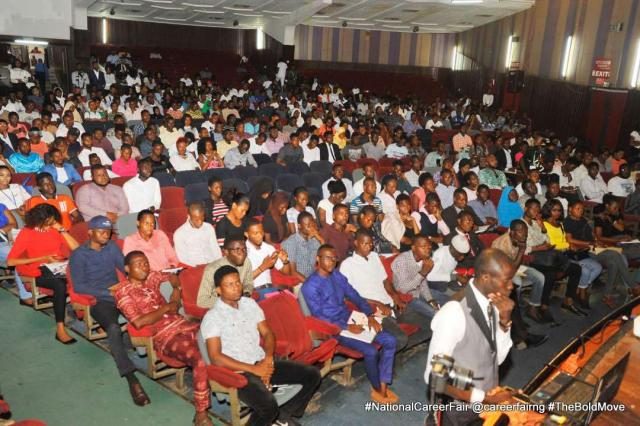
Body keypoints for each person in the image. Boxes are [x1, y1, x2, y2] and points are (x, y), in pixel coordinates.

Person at [202, 265, 321, 426]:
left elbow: (268, 333)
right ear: (218, 290)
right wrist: (255, 370)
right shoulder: (212, 317)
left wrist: (268, 359)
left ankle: (282, 416)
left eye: (238, 282)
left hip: (261, 362)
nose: (236, 287)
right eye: (230, 285)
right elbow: (216, 358)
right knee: (268, 406)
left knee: (312, 375)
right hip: (239, 372)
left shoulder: (249, 304)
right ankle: (272, 416)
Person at [112, 251, 213, 426]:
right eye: (139, 264)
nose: (144, 267)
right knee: (201, 359)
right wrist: (167, 308)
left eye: (145, 263)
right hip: (166, 337)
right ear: (127, 269)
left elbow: (173, 277)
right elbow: (138, 322)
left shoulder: (151, 277)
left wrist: (176, 290)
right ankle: (201, 413)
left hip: (185, 325)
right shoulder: (123, 292)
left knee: (222, 344)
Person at [424, 249, 516, 425]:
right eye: (507, 280)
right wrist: (482, 398)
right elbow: (435, 377)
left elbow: (496, 359)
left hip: (481, 399)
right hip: (457, 408)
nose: (511, 285)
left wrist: (505, 322)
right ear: (485, 277)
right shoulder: (454, 312)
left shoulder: (495, 302)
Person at [69, 216, 150, 405]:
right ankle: (131, 378)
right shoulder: (79, 255)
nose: (107, 234)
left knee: (151, 311)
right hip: (101, 299)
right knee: (113, 329)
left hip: (120, 292)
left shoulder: (112, 247)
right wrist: (109, 293)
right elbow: (79, 286)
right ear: (90, 233)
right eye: (101, 231)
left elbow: (126, 268)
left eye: (108, 231)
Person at [302, 244, 399, 403]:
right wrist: (347, 328)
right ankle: (376, 388)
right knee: (371, 351)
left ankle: (383, 383)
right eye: (327, 258)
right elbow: (319, 317)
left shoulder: (336, 276)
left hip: (350, 317)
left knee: (390, 340)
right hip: (334, 327)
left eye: (334, 258)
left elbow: (353, 294)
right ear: (318, 259)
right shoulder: (310, 286)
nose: (332, 261)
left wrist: (369, 314)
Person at [341, 229, 431, 350]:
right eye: (364, 243)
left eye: (370, 244)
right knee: (400, 339)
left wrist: (395, 297)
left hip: (391, 303)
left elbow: (385, 281)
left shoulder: (374, 257)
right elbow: (349, 296)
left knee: (431, 325)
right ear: (356, 243)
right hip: (374, 309)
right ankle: (386, 358)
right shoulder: (347, 265)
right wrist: (377, 304)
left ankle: (402, 351)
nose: (368, 247)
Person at [7, 204, 80, 344]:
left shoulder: (54, 230)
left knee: (85, 273)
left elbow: (77, 249)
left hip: (58, 266)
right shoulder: (27, 232)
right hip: (37, 269)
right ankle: (60, 328)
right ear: (38, 220)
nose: (50, 225)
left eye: (52, 222)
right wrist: (43, 259)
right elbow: (11, 261)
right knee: (59, 284)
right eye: (47, 222)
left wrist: (62, 230)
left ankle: (95, 319)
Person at [491, 220, 551, 347]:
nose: (525, 235)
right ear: (512, 232)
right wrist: (522, 250)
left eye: (526, 232)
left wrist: (522, 249)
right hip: (500, 273)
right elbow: (509, 269)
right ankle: (518, 325)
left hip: (514, 267)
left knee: (539, 276)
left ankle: (532, 309)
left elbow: (515, 265)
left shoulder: (519, 239)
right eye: (521, 232)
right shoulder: (501, 244)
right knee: (515, 284)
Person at [522, 198, 584, 318]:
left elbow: (549, 241)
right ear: (525, 209)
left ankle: (568, 301)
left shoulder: (536, 224)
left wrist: (543, 228)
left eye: (537, 209)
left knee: (576, 269)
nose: (535, 211)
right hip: (530, 259)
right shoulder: (519, 224)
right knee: (550, 274)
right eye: (532, 208)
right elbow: (521, 248)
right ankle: (543, 306)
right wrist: (539, 248)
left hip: (545, 257)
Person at [542, 199, 601, 309]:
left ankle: (578, 291)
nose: (557, 213)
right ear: (548, 210)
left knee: (596, 267)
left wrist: (570, 246)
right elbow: (551, 244)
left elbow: (565, 240)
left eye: (559, 210)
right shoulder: (544, 225)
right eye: (554, 210)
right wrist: (568, 246)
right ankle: (578, 295)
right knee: (584, 270)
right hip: (555, 255)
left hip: (567, 253)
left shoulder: (560, 224)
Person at [392, 235, 458, 319]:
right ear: (413, 248)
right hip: (407, 297)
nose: (428, 250)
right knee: (437, 315)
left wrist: (430, 299)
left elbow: (423, 282)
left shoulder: (424, 258)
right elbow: (403, 289)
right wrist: (423, 272)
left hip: (419, 291)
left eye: (429, 247)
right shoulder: (402, 261)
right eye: (423, 247)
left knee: (450, 301)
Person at [245, 219, 297, 299]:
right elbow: (244, 279)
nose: (260, 236)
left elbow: (286, 272)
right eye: (255, 233)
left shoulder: (268, 248)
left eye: (261, 232)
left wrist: (285, 261)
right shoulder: (242, 251)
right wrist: (263, 267)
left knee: (291, 302)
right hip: (255, 292)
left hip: (271, 289)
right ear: (246, 234)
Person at [197, 237, 254, 309]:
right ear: (226, 252)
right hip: (220, 308)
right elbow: (202, 301)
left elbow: (248, 283)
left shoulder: (246, 262)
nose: (242, 254)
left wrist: (246, 293)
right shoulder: (212, 269)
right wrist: (228, 301)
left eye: (244, 249)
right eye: (237, 250)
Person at [173, 202, 222, 267]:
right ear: (188, 216)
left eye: (202, 218)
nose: (200, 222)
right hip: (194, 268)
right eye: (196, 220)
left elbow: (216, 250)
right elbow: (182, 259)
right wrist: (197, 266)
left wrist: (219, 264)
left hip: (212, 265)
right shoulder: (180, 234)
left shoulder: (209, 227)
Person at [281, 212, 324, 279]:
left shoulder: (314, 239)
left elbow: (325, 257)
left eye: (313, 224)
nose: (311, 228)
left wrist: (320, 239)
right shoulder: (291, 242)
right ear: (299, 226)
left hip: (313, 277)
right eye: (308, 225)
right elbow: (293, 272)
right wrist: (309, 284)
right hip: (299, 281)